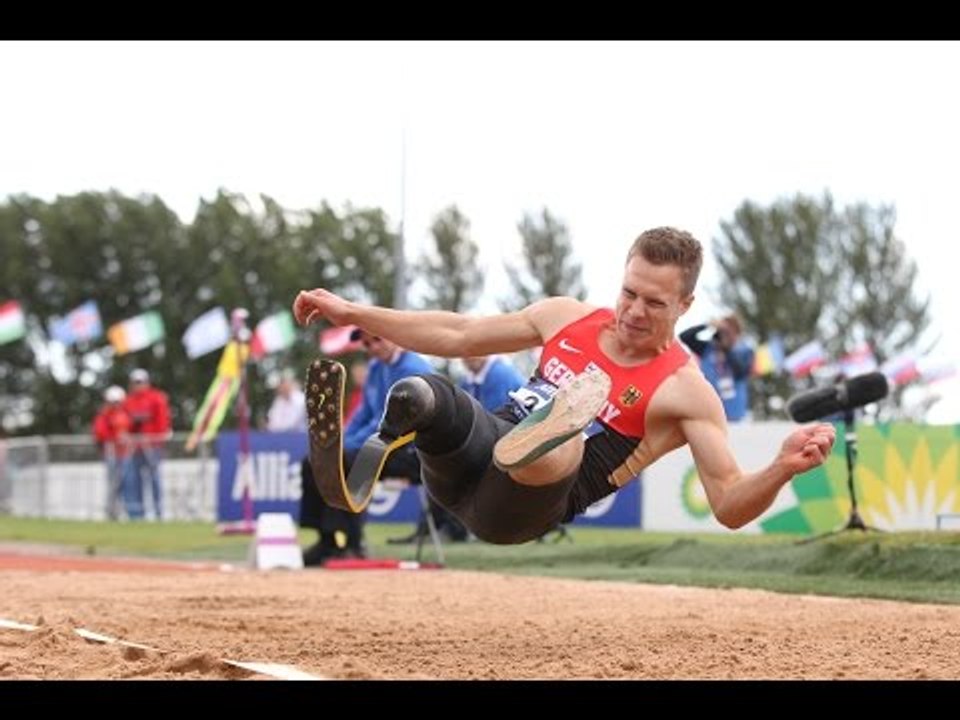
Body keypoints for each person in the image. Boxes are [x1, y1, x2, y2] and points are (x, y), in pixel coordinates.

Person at [293, 226, 836, 545]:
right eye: (629, 293)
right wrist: (351, 312)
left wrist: (782, 467)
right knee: (419, 392)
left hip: (525, 506)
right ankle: (373, 455)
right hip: (470, 463)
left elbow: (728, 505)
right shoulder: (565, 317)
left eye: (655, 303)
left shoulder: (686, 390)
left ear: (686, 306)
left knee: (564, 444)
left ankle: (552, 431)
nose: (634, 312)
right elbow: (457, 332)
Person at [299, 329, 435, 565]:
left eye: (377, 340)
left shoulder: (412, 370)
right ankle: (327, 539)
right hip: (384, 443)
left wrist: (344, 445)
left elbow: (387, 421)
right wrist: (335, 442)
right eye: (367, 343)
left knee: (346, 460)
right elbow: (364, 414)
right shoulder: (375, 368)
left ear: (394, 337)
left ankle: (354, 543)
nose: (372, 347)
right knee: (314, 461)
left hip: (415, 450)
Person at [679, 314, 755, 422]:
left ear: (737, 333)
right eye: (721, 332)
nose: (724, 336)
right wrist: (708, 325)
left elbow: (741, 372)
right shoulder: (708, 348)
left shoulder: (745, 351)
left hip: (734, 412)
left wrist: (727, 350)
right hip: (708, 410)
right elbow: (685, 337)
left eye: (727, 332)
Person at [123, 368, 171, 521]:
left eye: (140, 382)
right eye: (135, 383)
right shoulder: (128, 401)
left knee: (154, 479)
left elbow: (162, 421)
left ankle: (158, 512)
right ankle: (137, 514)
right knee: (133, 480)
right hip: (134, 447)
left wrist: (158, 441)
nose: (138, 385)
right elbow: (125, 422)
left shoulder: (157, 398)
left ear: (147, 382)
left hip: (152, 446)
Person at [92, 385, 133, 520]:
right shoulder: (104, 416)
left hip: (125, 455)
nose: (116, 405)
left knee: (126, 484)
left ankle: (127, 512)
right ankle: (112, 513)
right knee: (113, 485)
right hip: (112, 455)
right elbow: (100, 433)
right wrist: (115, 437)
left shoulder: (126, 414)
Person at [344, 359, 368, 426]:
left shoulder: (373, 393)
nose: (358, 378)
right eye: (356, 375)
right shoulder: (355, 394)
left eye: (361, 374)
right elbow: (350, 416)